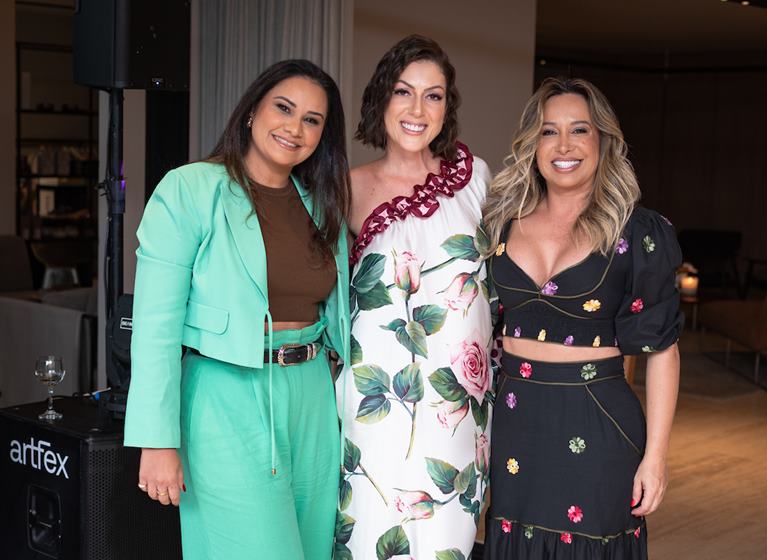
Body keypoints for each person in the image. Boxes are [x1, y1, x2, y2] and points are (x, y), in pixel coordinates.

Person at [123, 59, 351, 560]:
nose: (294, 128)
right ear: (252, 111)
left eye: (312, 120)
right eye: (284, 109)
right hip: (226, 398)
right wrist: (156, 440)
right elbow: (155, 326)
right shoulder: (190, 189)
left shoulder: (320, 202)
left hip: (312, 396)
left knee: (313, 551)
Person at [482, 77, 682, 559]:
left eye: (580, 130)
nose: (564, 146)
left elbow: (663, 351)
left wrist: (655, 457)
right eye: (550, 132)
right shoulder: (498, 222)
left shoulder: (637, 232)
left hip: (598, 425)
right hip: (513, 424)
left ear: (603, 141)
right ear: (533, 144)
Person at [335, 35, 493, 559]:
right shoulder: (345, 187)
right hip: (376, 402)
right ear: (382, 98)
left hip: (457, 405)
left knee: (446, 539)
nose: (417, 109)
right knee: (373, 532)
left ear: (448, 108)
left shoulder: (474, 180)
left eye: (434, 95)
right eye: (404, 92)